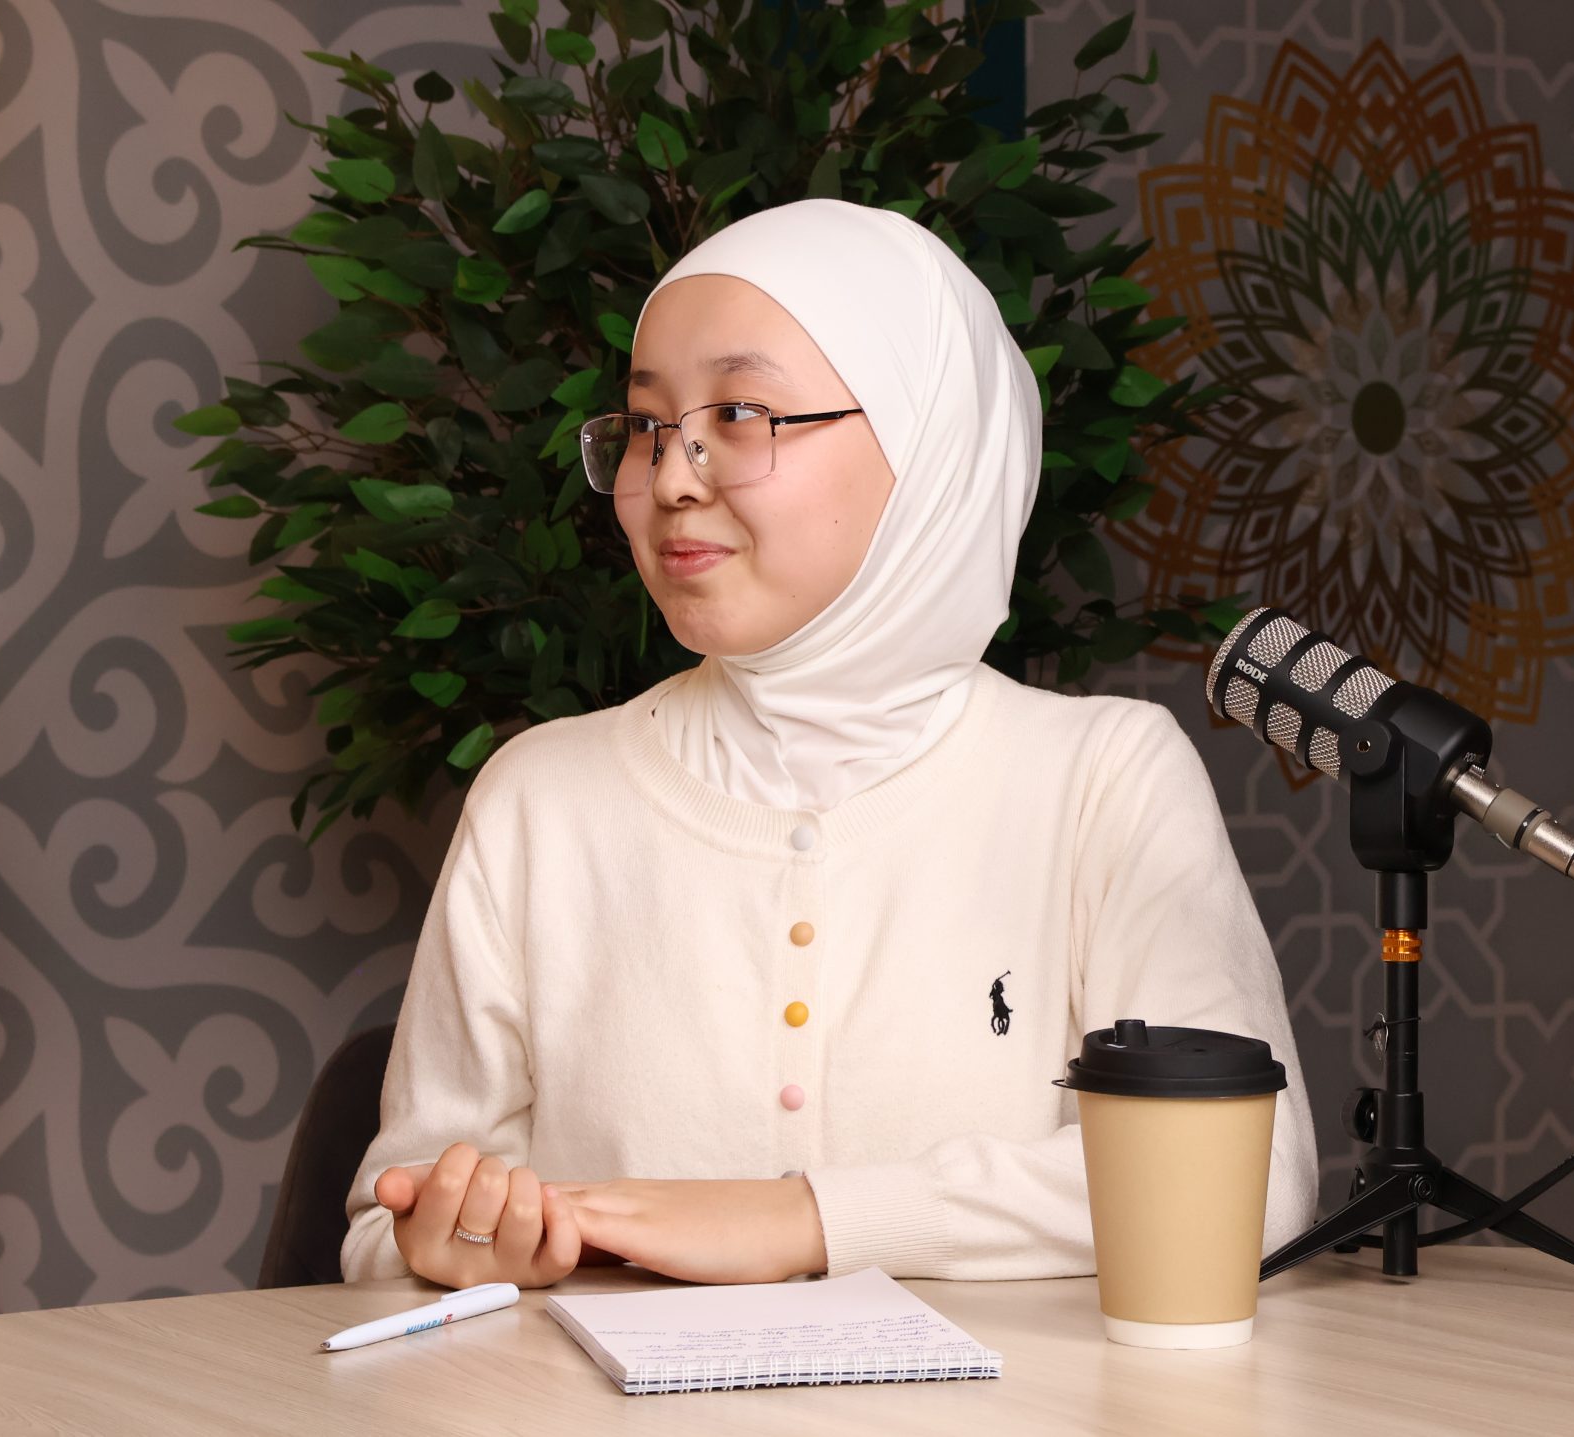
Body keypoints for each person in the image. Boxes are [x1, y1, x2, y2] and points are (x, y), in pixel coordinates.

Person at [340, 197, 1316, 1288]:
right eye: (649, 426)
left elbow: (1246, 1177)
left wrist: (807, 1220)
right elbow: (386, 1227)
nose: (671, 478)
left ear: (928, 444)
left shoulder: (1099, 780)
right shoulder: (540, 798)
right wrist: (448, 1241)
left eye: (740, 414)